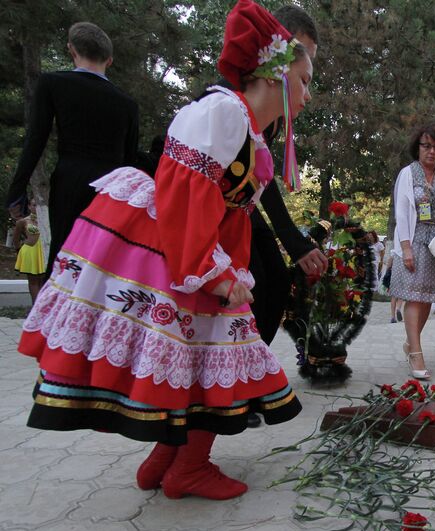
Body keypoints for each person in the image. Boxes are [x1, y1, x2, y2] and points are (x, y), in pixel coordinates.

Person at [17, 0, 311, 501]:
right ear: (274, 76)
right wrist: (210, 272)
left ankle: (168, 460)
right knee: (216, 354)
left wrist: (232, 268)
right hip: (176, 254)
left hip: (192, 253)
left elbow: (229, 211)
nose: (308, 94)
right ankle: (188, 466)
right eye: (303, 80)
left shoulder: (243, 124)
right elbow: (185, 190)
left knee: (201, 356)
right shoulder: (223, 111)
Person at [6, 22, 139, 278]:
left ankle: (53, 315)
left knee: (63, 255)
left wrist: (17, 190)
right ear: (109, 60)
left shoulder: (53, 83)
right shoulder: (127, 104)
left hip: (71, 180)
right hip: (111, 190)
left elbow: (36, 140)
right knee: (102, 262)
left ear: (72, 50)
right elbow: (129, 160)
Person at [246, 4, 328, 346]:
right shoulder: (234, 99)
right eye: (301, 60)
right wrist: (293, 242)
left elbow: (257, 175)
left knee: (277, 281)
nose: (306, 71)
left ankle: (251, 372)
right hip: (211, 209)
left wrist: (295, 243)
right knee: (258, 284)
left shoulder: (272, 112)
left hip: (240, 202)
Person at [390, 124, 435, 379]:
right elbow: (401, 212)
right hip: (414, 239)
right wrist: (406, 248)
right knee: (413, 297)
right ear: (417, 148)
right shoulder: (407, 174)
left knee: (427, 297)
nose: (431, 151)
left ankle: (411, 344)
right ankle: (416, 354)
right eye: (426, 146)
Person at [12, 198, 45, 302]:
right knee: (33, 281)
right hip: (30, 251)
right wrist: (19, 252)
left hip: (44, 252)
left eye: (38, 205)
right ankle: (35, 307)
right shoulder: (23, 221)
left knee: (43, 280)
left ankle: (42, 306)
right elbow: (15, 239)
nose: (36, 207)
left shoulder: (48, 219)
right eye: (34, 205)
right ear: (29, 206)